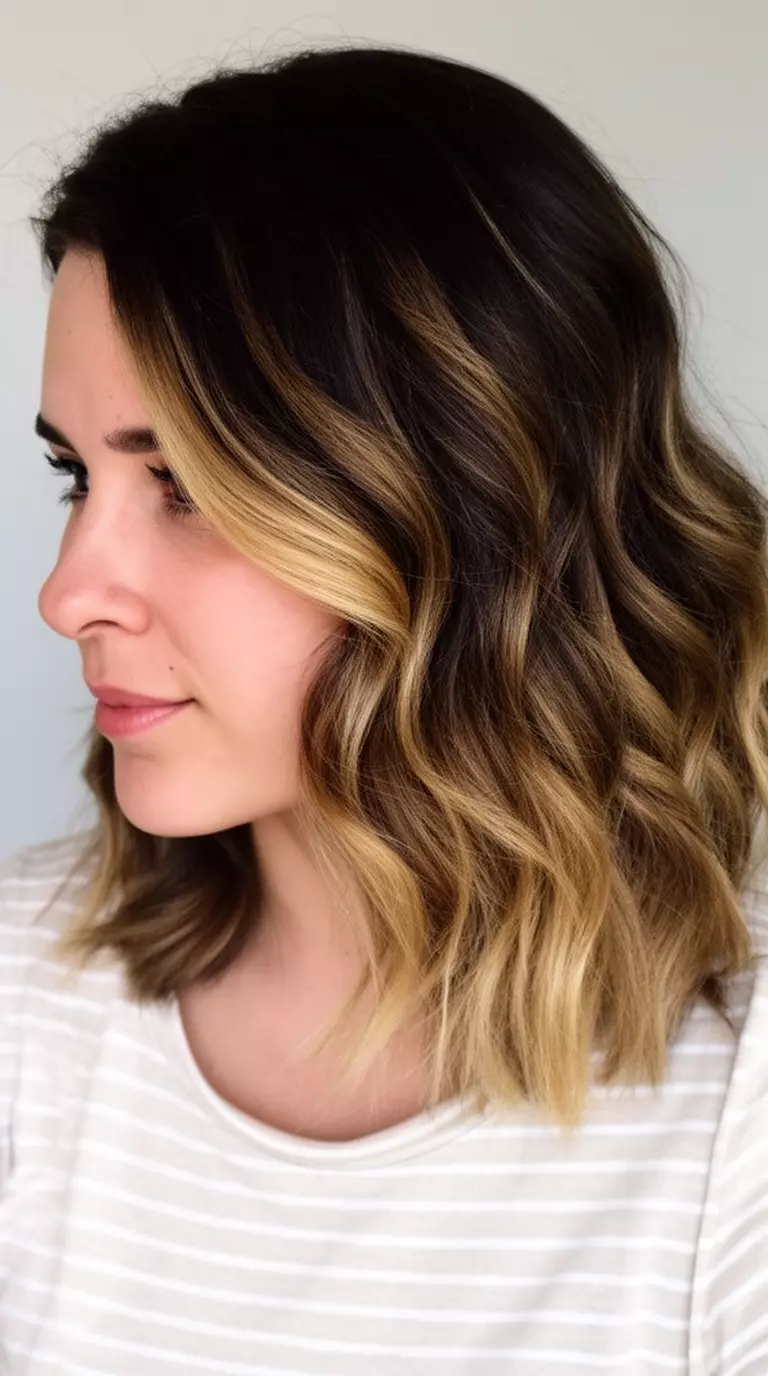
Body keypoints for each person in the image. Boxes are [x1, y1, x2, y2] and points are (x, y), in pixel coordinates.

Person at [1, 41, 767, 1375]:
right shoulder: (22, 994)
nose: (68, 595)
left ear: (475, 510)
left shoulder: (737, 1099)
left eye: (186, 485)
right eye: (79, 476)